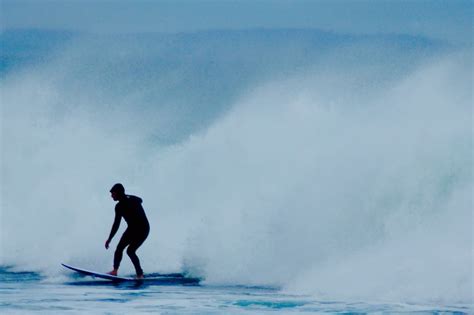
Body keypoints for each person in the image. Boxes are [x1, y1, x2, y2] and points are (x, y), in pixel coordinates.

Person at [105, 183, 150, 279]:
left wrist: (129, 198)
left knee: (130, 251)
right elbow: (116, 224)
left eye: (113, 193)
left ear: (118, 193)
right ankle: (115, 271)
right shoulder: (119, 207)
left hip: (143, 228)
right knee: (119, 249)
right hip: (132, 229)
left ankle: (140, 274)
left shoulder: (131, 201)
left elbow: (140, 200)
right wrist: (109, 238)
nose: (111, 196)